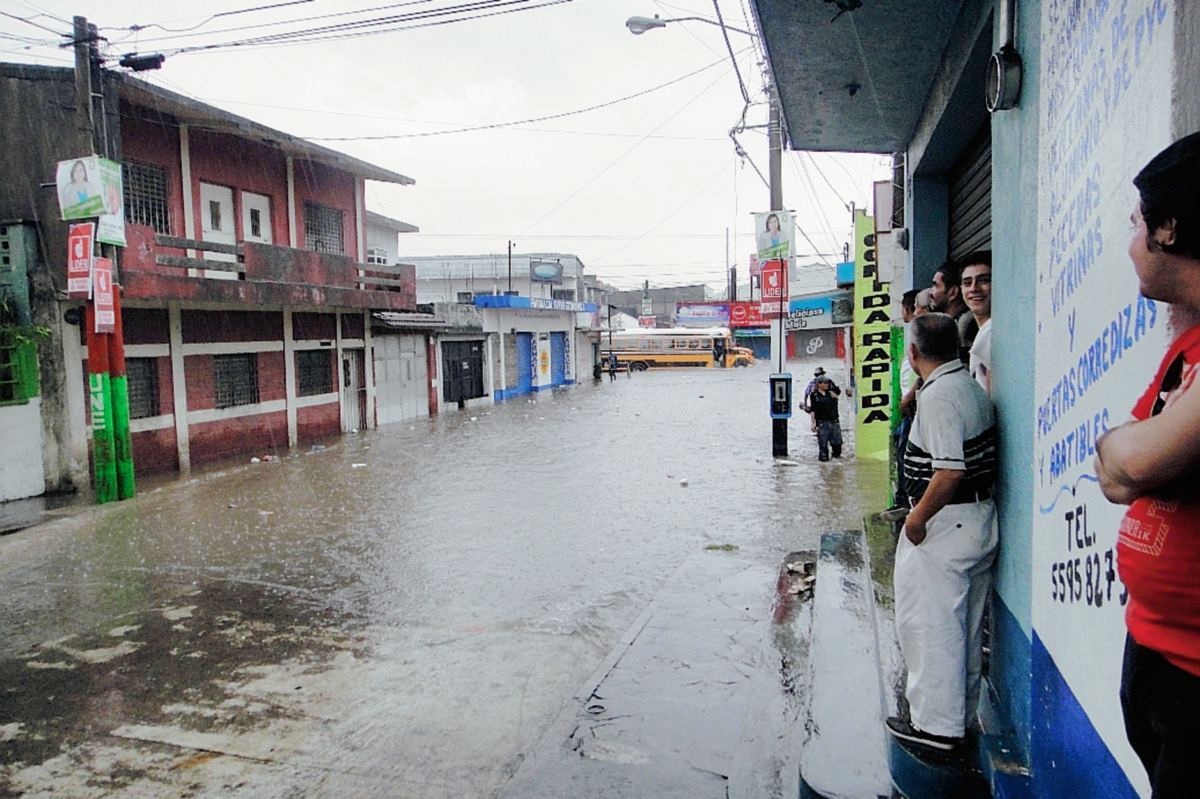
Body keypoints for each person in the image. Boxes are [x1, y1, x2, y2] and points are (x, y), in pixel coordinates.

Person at [1094, 131, 1200, 798]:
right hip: (1156, 651)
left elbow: (1130, 460)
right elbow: (1114, 471)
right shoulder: (1185, 347)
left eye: (1137, 223)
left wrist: (1139, 454)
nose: (1131, 242)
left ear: (1169, 227)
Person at [885, 312, 998, 754]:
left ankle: (936, 729)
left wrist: (917, 519)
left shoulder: (940, 397)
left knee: (932, 629)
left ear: (912, 354)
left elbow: (950, 470)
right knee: (962, 630)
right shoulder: (964, 383)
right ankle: (957, 720)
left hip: (946, 525)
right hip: (973, 519)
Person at [960, 253, 993, 393]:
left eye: (983, 280)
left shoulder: (992, 332)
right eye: (967, 283)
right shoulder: (981, 331)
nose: (974, 288)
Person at [808, 375, 842, 461]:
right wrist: (813, 424)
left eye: (827, 383)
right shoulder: (814, 395)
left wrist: (836, 396)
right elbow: (813, 410)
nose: (827, 385)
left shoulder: (831, 393)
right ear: (819, 384)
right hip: (822, 422)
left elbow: (845, 393)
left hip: (834, 421)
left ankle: (836, 463)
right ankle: (823, 467)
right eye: (825, 383)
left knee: (837, 444)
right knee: (823, 446)